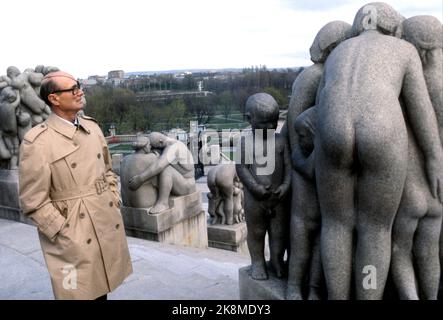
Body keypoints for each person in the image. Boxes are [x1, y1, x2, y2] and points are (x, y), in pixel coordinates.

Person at [315, 2, 443, 299]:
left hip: (332, 130)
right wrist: (435, 156)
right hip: (381, 132)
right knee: (375, 228)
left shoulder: (337, 53)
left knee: (335, 223)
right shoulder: (404, 50)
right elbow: (421, 111)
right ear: (394, 27)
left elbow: (323, 100)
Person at [19, 71, 132, 300]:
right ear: (54, 98)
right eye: (72, 89)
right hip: (72, 231)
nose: (80, 91)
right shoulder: (38, 142)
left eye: (79, 86)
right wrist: (63, 231)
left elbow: (108, 170)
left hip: (103, 217)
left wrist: (113, 196)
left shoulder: (92, 128)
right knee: (77, 293)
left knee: (101, 290)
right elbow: (32, 200)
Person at [235, 93, 291, 280]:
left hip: (279, 199)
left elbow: (289, 168)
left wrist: (285, 185)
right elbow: (242, 168)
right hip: (254, 200)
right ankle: (258, 263)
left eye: (272, 123)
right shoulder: (246, 143)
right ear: (249, 119)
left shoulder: (281, 142)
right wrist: (254, 187)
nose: (268, 128)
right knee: (257, 232)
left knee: (279, 233)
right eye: (262, 125)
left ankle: (277, 260)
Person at [128, 131, 196, 214]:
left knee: (165, 169)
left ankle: (163, 203)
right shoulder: (169, 143)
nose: (153, 149)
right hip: (181, 180)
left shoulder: (174, 147)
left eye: (154, 146)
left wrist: (140, 179)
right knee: (158, 166)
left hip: (187, 185)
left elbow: (159, 166)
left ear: (160, 142)